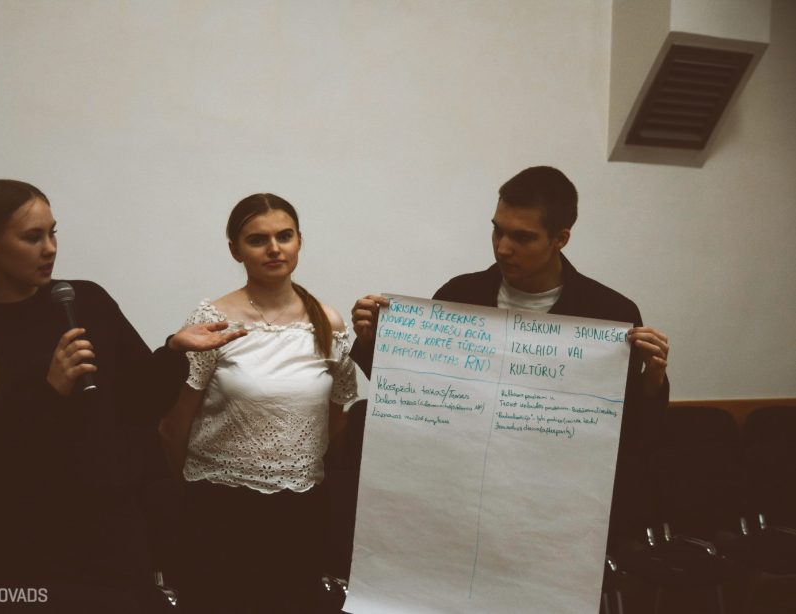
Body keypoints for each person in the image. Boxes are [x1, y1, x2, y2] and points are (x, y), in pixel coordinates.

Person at [0, 179, 244, 612]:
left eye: (53, 233)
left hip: (111, 530)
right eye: (32, 237)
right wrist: (49, 392)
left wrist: (173, 351)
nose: (50, 249)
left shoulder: (84, 301)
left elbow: (141, 405)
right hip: (24, 545)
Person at [350, 166, 669, 552]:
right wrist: (373, 341)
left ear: (560, 238)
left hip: (554, 509)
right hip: (456, 496)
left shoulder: (608, 312)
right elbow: (419, 397)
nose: (502, 247)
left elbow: (634, 435)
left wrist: (653, 377)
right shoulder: (459, 295)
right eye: (497, 230)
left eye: (522, 237)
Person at [159, 193, 358, 613]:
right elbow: (175, 425)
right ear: (235, 250)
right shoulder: (212, 320)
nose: (273, 248)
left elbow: (337, 418)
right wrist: (179, 501)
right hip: (218, 507)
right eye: (257, 239)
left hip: (300, 511)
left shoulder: (328, 322)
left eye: (284, 236)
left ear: (299, 242)